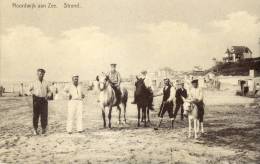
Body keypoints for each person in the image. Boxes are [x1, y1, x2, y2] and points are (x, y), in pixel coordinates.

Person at [29, 68, 51, 135]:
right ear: (37, 74)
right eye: (39, 74)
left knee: (44, 115)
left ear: (44, 74)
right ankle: (35, 129)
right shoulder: (34, 82)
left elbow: (49, 91)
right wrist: (33, 94)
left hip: (44, 100)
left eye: (42, 74)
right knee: (36, 115)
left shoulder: (46, 82)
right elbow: (29, 90)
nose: (41, 75)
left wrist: (48, 95)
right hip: (36, 100)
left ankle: (43, 129)